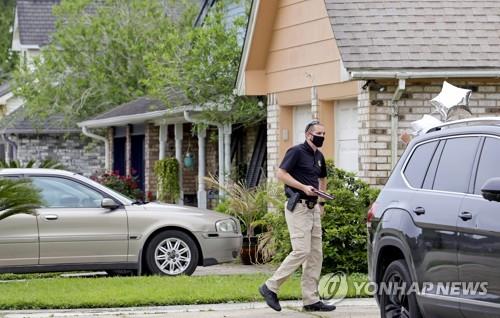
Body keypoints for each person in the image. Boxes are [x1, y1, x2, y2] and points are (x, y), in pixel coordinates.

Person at [259, 120, 336, 312]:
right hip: (298, 207)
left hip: (313, 209)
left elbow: (323, 178)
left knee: (315, 255)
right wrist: (303, 187)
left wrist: (321, 202)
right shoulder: (295, 151)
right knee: (301, 250)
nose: (322, 137)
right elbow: (281, 174)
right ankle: (270, 287)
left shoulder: (319, 156)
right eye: (319, 133)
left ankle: (310, 300)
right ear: (309, 134)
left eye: (324, 134)